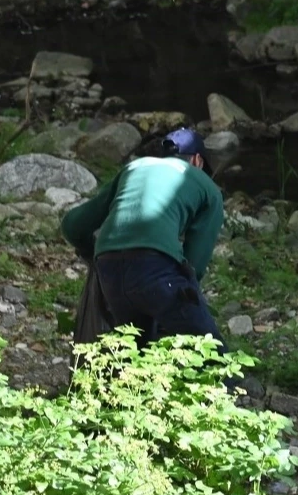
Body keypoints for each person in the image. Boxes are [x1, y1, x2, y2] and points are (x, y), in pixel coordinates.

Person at [61, 127, 227, 351]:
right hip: (155, 268)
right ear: (198, 160)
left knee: (135, 350)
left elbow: (73, 225)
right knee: (212, 353)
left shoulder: (135, 168)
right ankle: (230, 386)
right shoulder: (206, 186)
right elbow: (194, 265)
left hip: (108, 268)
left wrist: (93, 252)